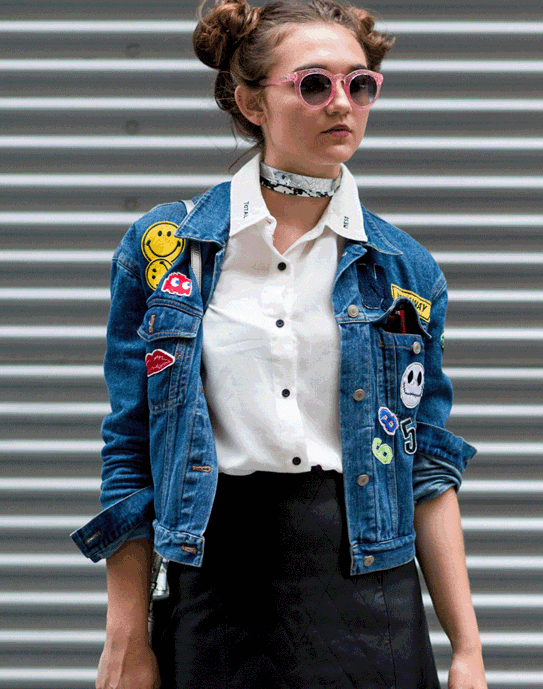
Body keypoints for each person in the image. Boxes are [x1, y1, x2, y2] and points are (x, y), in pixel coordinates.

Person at [70, 1, 487, 687]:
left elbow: (427, 470)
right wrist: (125, 637)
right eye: (314, 83)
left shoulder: (405, 271)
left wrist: (467, 649)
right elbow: (130, 448)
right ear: (251, 102)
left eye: (360, 84)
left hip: (370, 600)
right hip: (217, 594)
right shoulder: (167, 252)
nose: (342, 103)